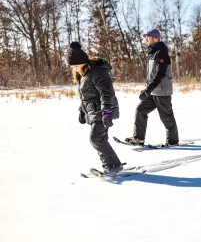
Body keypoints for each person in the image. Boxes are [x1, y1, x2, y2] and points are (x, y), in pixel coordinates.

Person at [68, 41, 123, 176]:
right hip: (95, 111)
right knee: (99, 139)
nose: (75, 68)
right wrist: (82, 111)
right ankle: (112, 164)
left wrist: (107, 112)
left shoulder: (97, 72)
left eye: (77, 65)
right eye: (73, 66)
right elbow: (86, 97)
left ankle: (113, 165)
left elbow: (106, 93)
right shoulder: (83, 76)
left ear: (85, 62)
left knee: (96, 138)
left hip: (103, 110)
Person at [125, 29, 179, 146]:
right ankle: (138, 138)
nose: (146, 39)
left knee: (166, 117)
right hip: (153, 90)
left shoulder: (161, 53)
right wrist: (147, 89)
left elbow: (160, 74)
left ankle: (173, 142)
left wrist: (148, 90)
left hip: (162, 91)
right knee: (140, 110)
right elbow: (151, 74)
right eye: (145, 37)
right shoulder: (152, 53)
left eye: (148, 37)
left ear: (155, 38)